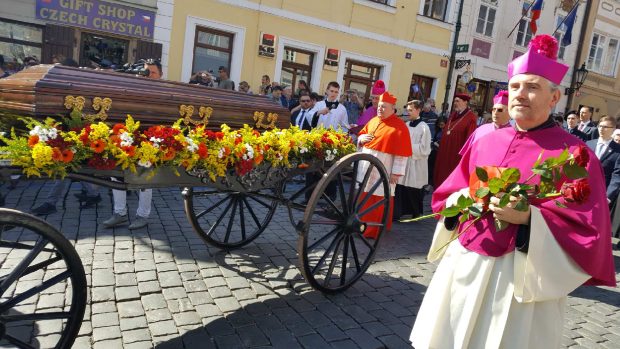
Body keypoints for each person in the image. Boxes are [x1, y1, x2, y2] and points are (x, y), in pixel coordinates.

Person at [410, 34, 615, 349]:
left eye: (533, 87)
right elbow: (449, 194)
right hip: (466, 262)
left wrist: (530, 218)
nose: (520, 95)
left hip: (520, 275)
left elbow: (588, 228)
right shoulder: (485, 140)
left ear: (554, 97)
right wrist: (462, 200)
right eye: (516, 86)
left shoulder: (574, 154)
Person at [102, 59, 161, 230]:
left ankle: (142, 215)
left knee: (144, 177)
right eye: (145, 72)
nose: (149, 76)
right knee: (116, 174)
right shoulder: (133, 88)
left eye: (153, 73)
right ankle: (119, 213)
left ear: (160, 75)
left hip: (150, 139)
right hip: (128, 137)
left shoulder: (162, 91)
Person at [357, 91, 412, 239]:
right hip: (365, 166)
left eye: (384, 107)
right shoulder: (374, 120)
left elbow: (402, 154)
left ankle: (371, 229)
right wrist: (361, 138)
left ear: (393, 108)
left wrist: (396, 173)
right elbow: (361, 135)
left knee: (378, 198)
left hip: (384, 168)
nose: (380, 109)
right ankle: (359, 224)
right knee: (363, 194)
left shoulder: (400, 127)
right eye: (380, 106)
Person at [394, 100, 431, 220]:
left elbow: (425, 149)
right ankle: (398, 213)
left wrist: (408, 147)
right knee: (401, 187)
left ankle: (415, 212)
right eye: (407, 110)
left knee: (413, 189)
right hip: (405, 161)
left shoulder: (424, 127)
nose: (407, 112)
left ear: (418, 110)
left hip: (416, 162)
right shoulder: (407, 125)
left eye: (410, 110)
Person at [432, 93, 477, 188]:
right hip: (444, 153)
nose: (455, 103)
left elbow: (469, 140)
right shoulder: (453, 115)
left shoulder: (471, 118)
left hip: (455, 156)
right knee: (440, 177)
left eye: (457, 101)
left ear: (465, 102)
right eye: (454, 101)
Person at [459, 90, 512, 155]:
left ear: (510, 112)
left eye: (500, 110)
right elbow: (467, 155)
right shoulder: (480, 130)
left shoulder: (513, 135)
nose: (495, 113)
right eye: (494, 109)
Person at [586, 115, 620, 204]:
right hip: (583, 188)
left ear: (613, 129)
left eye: (605, 127)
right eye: (600, 126)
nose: (601, 129)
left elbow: (617, 176)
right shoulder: (589, 144)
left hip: (602, 193)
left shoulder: (618, 150)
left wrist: (608, 196)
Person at [427, 117, 445, 187]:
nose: (440, 127)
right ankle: (429, 182)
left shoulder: (446, 131)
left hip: (441, 152)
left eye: (442, 125)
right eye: (439, 125)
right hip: (435, 150)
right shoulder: (438, 130)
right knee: (430, 167)